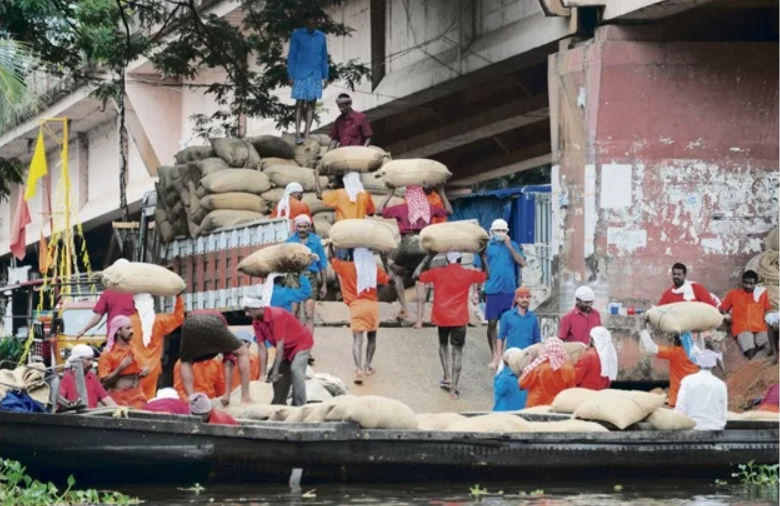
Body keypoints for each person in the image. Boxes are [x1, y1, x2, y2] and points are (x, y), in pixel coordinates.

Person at [414, 250, 489, 399]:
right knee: (457, 352)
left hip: (442, 316)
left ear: (447, 261)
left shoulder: (438, 272)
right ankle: (454, 389)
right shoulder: (467, 273)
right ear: (460, 260)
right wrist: (482, 257)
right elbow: (487, 276)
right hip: (459, 318)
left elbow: (416, 275)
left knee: (443, 345)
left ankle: (446, 375)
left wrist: (428, 257)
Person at [378, 184, 451, 325]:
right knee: (421, 281)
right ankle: (419, 321)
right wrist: (441, 192)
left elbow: (379, 210)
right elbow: (449, 210)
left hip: (408, 245)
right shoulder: (428, 208)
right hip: (424, 248)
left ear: (407, 197)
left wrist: (389, 193)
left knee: (393, 271)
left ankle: (404, 308)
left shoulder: (402, 208)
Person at [330, 246, 398, 385]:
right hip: (371, 306)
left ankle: (358, 369)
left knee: (357, 341)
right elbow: (392, 280)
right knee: (372, 338)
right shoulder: (374, 269)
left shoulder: (346, 267)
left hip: (356, 307)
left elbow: (332, 260)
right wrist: (384, 260)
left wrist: (332, 245)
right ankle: (367, 367)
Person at [473, 219, 526, 369]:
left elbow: (522, 262)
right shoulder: (487, 248)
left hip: (509, 290)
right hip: (492, 290)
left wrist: (509, 246)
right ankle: (495, 355)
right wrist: (475, 291)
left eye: (503, 231)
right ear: (492, 232)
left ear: (507, 233)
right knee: (492, 323)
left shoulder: (513, 245)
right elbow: (477, 270)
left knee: (509, 324)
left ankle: (509, 355)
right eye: (498, 231)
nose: (500, 234)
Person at [244, 297, 313, 406]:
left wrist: (276, 370)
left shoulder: (276, 315)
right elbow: (262, 348)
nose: (246, 314)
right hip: (285, 349)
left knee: (295, 370)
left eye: (248, 310)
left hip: (301, 343)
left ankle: (299, 406)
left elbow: (280, 345)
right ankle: (278, 405)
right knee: (272, 376)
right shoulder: (256, 322)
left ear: (258, 308)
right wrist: (263, 374)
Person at [179, 313, 254, 405]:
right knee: (243, 352)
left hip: (189, 322)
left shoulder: (198, 353)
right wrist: (227, 394)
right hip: (213, 321)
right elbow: (228, 362)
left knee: (185, 360)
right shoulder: (223, 335)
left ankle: (192, 398)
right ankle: (245, 396)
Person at [128, 293, 185, 400]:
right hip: (153, 369)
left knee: (133, 401)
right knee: (149, 400)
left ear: (135, 305)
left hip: (133, 369)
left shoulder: (128, 322)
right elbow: (178, 318)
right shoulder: (159, 320)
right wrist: (178, 297)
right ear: (152, 304)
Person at [287, 11, 329, 144]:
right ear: (306, 24)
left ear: (316, 24)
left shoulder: (321, 36)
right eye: (309, 24)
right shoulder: (297, 35)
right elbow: (292, 56)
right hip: (300, 74)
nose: (311, 26)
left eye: (314, 24)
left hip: (316, 74)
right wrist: (290, 75)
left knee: (312, 104)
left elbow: (324, 58)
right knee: (299, 104)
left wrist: (326, 75)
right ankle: (298, 133)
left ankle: (307, 133)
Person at [639, 324, 699, 407]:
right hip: (694, 400)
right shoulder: (698, 354)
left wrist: (643, 329)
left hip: (678, 400)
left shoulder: (675, 352)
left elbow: (650, 347)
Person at [285, 215, 328, 330]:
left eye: (305, 226)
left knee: (309, 314)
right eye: (299, 226)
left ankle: (308, 343)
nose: (302, 229)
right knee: (293, 312)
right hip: (294, 278)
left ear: (309, 227)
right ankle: (294, 340)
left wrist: (324, 285)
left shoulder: (316, 241)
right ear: (295, 227)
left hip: (310, 279)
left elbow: (322, 264)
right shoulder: (289, 242)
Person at [76, 259, 135, 341]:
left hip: (129, 336)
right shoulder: (108, 293)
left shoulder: (136, 292)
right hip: (118, 337)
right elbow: (98, 315)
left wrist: (84, 330)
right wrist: (84, 330)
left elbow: (98, 316)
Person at [720, 270, 773, 360]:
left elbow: (767, 309)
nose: (748, 286)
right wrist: (726, 317)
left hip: (760, 327)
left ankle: (753, 366)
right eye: (745, 283)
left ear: (756, 283)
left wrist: (768, 319)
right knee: (750, 352)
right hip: (742, 328)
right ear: (742, 282)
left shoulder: (761, 294)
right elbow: (722, 308)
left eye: (751, 283)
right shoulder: (733, 294)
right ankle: (754, 367)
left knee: (769, 347)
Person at [97, 316, 148, 409]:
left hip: (138, 395)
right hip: (119, 398)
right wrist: (121, 367)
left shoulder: (133, 347)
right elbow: (103, 382)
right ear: (118, 331)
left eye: (131, 327)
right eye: (128, 328)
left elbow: (140, 369)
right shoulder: (107, 354)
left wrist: (145, 370)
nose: (132, 331)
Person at [675, 349, 728, 430]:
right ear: (714, 366)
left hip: (692, 429)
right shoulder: (721, 385)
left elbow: (680, 408)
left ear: (697, 365)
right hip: (714, 430)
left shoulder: (687, 381)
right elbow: (723, 414)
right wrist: (719, 427)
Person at [519, 337, 576, 408]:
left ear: (546, 349)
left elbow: (522, 383)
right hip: (557, 407)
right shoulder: (569, 368)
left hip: (536, 407)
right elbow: (571, 390)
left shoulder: (538, 367)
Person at [57, 344, 116, 411]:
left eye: (92, 359)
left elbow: (106, 399)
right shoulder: (68, 377)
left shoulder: (92, 377)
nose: (91, 363)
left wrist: (118, 409)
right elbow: (59, 397)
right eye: (88, 359)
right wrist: (71, 405)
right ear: (78, 360)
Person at [497, 287, 541, 358]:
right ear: (516, 299)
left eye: (527, 297)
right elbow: (500, 338)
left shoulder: (533, 318)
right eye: (522, 297)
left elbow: (537, 341)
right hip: (511, 356)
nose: (525, 299)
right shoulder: (507, 316)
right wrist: (499, 358)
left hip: (528, 358)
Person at [574, 326, 618, 391]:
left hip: (584, 394)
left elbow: (575, 378)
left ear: (592, 339)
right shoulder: (611, 357)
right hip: (600, 394)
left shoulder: (588, 356)